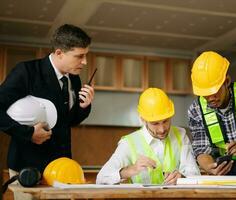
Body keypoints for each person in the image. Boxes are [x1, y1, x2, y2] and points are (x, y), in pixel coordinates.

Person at [0, 24, 94, 182]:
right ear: (59, 53)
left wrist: (84, 107)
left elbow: (69, 122)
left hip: (62, 168)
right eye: (79, 56)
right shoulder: (26, 71)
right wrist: (28, 133)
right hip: (28, 167)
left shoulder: (74, 79)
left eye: (86, 55)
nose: (84, 62)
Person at [96, 88, 200, 185]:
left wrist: (182, 178)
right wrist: (129, 171)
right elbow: (101, 178)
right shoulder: (128, 143)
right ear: (143, 120)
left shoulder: (181, 135)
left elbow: (195, 176)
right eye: (155, 123)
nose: (162, 129)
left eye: (165, 121)